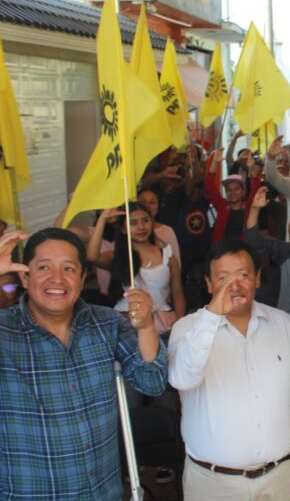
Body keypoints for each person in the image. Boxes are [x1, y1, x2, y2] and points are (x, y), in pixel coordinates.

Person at [0, 229, 167, 500]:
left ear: (81, 277)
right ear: (24, 276)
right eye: (44, 267)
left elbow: (153, 381)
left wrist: (147, 326)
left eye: (68, 268)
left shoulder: (106, 323)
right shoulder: (4, 330)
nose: (57, 279)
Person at [168, 238, 290, 500]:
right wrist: (213, 316)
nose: (234, 286)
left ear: (257, 279)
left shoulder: (282, 322)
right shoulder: (188, 329)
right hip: (214, 483)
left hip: (279, 476)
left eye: (243, 275)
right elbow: (182, 378)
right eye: (223, 278)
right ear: (209, 284)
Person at [87, 204, 185, 334]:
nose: (141, 227)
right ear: (123, 228)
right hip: (127, 326)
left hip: (162, 327)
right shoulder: (118, 256)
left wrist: (180, 324)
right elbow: (92, 257)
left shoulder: (167, 254)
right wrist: (102, 219)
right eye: (133, 223)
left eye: (145, 220)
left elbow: (177, 293)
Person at [206, 149, 261, 245]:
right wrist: (214, 162)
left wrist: (252, 169)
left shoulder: (249, 207)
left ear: (243, 192)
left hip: (243, 255)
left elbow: (255, 187)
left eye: (236, 189)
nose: (232, 192)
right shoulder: (222, 206)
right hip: (222, 254)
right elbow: (209, 185)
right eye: (229, 190)